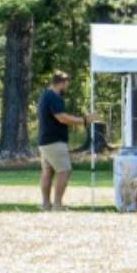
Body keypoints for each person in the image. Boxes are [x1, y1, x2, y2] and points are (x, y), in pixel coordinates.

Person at [36, 71, 91, 210]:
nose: (67, 86)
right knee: (64, 171)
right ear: (61, 82)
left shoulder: (45, 95)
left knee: (48, 172)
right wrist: (84, 121)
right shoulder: (54, 96)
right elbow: (62, 117)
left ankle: (46, 204)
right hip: (54, 141)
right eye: (67, 83)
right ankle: (57, 205)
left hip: (45, 140)